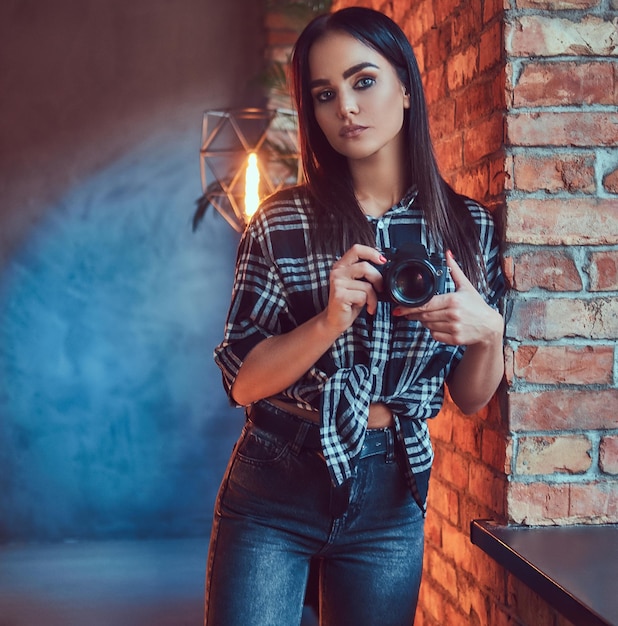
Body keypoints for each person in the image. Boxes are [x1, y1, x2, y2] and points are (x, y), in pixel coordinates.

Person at [205, 6, 505, 626]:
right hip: (276, 479)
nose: (345, 106)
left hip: (392, 486)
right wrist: (326, 321)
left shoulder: (468, 229)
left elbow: (471, 399)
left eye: (363, 81)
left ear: (404, 86)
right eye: (324, 94)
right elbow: (243, 382)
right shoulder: (281, 223)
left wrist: (489, 335)